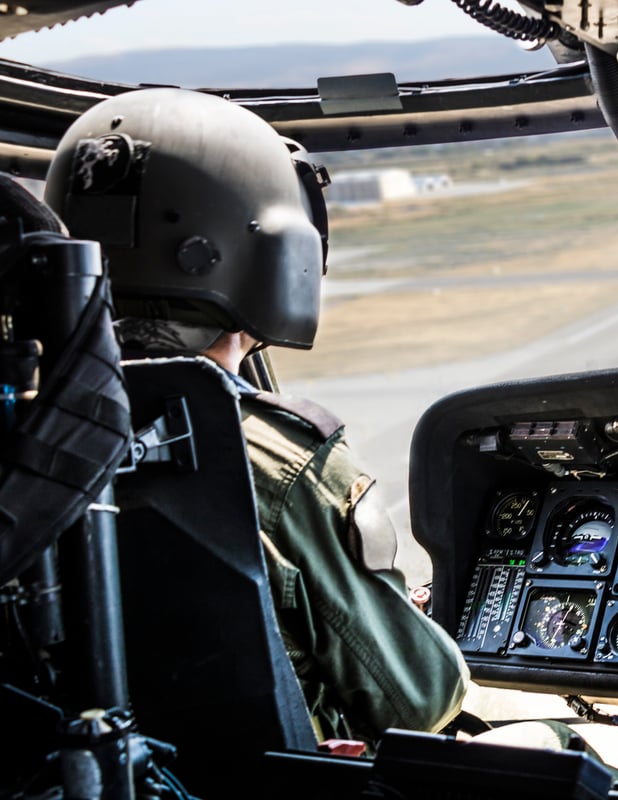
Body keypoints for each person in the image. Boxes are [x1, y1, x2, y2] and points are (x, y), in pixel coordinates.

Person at [41, 87, 470, 752]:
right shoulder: (274, 460)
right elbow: (420, 699)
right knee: (552, 745)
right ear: (269, 253)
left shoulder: (30, 436)